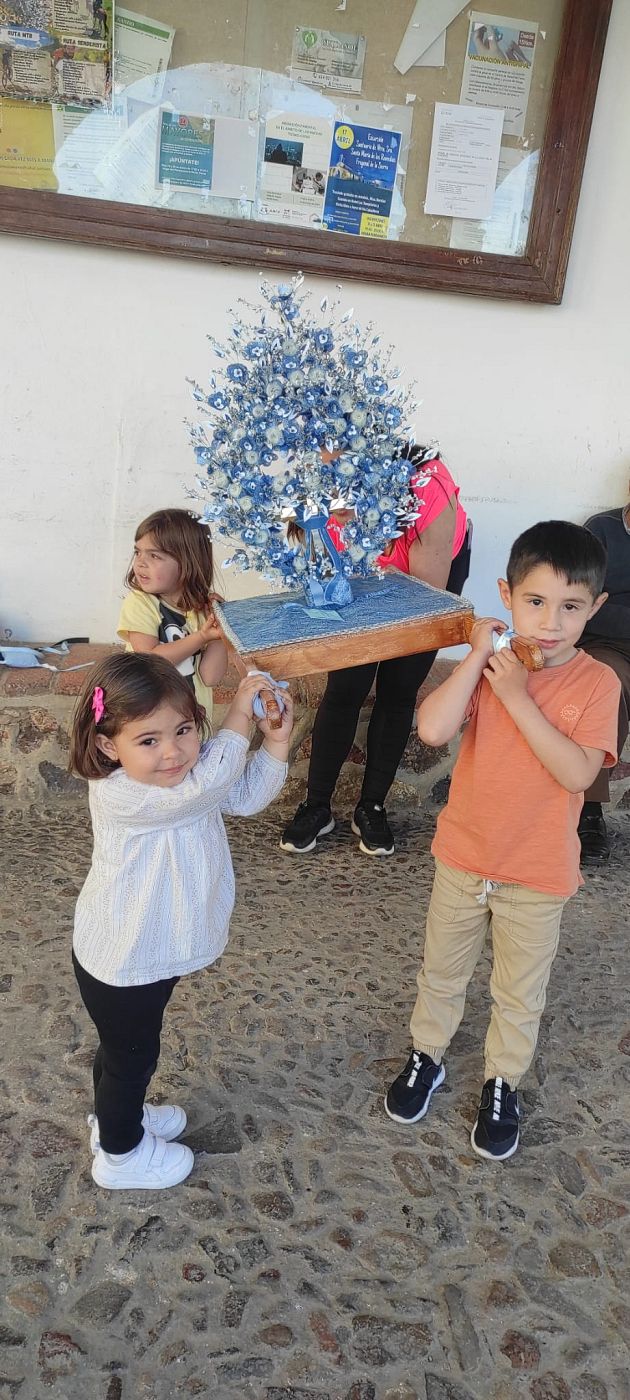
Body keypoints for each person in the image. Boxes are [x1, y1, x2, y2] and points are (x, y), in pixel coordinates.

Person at [384, 521, 620, 1161]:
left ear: (594, 607)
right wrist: (478, 660)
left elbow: (577, 772)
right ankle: (427, 1055)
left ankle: (501, 1081)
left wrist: (516, 697)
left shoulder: (598, 683)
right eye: (535, 602)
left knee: (518, 991)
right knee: (442, 972)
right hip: (464, 856)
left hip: (537, 872)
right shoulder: (492, 667)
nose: (550, 621)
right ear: (506, 596)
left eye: (571, 607)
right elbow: (432, 730)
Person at [69, 651, 292, 1190]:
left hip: (151, 948)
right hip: (121, 957)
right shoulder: (123, 792)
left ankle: (117, 1118)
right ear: (108, 745)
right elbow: (213, 785)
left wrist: (277, 739)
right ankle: (120, 1155)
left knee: (124, 1050)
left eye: (184, 730)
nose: (172, 752)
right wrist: (241, 714)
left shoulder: (193, 776)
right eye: (148, 740)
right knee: (131, 1056)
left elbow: (240, 794)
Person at [280, 446, 471, 857]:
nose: (334, 496)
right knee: (345, 686)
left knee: (399, 687)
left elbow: (423, 596)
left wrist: (369, 543)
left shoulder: (427, 488)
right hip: (364, 575)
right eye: (325, 479)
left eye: (345, 478)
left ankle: (372, 806)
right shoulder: (319, 487)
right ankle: (316, 806)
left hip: (424, 584)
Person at [118, 508, 227, 727]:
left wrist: (220, 629)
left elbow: (211, 677)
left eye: (154, 555)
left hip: (191, 726)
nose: (140, 563)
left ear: (187, 562)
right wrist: (201, 637)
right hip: (149, 728)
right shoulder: (140, 603)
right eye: (138, 552)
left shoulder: (200, 610)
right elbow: (149, 660)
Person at [578, 487, 630, 862]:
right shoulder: (602, 532)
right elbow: (584, 603)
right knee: (606, 683)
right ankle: (589, 811)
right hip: (607, 644)